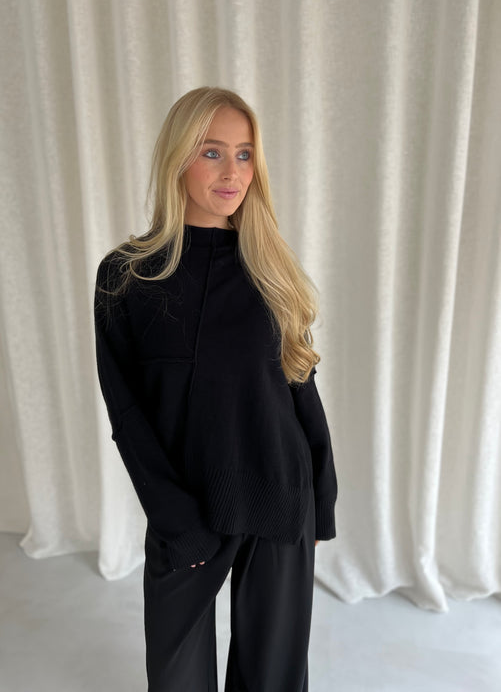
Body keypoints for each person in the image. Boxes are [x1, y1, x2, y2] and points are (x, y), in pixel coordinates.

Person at [93, 86, 338, 692]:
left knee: (273, 678)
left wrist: (322, 495)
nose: (233, 172)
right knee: (176, 678)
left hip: (280, 494)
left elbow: (299, 387)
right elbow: (127, 411)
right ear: (178, 156)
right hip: (186, 509)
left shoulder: (271, 268)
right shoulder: (127, 275)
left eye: (245, 154)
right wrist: (173, 517)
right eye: (212, 152)